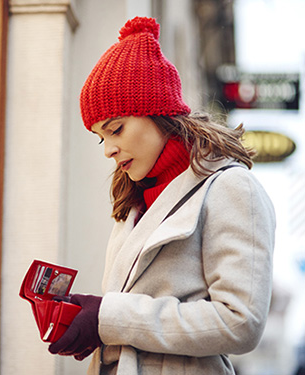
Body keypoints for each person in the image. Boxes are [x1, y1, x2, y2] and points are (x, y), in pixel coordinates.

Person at [48, 16, 276, 375]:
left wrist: (106, 317)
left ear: (158, 113)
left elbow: (240, 321)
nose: (107, 149)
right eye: (100, 137)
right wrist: (88, 321)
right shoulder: (136, 200)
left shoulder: (231, 188)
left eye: (116, 129)